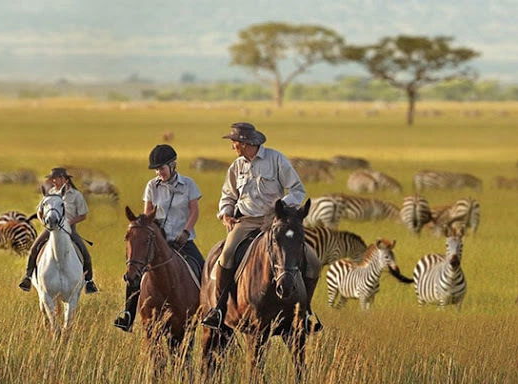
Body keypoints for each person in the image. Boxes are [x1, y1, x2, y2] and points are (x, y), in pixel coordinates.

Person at [201, 122, 322, 330]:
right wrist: (226, 213)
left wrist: (282, 207)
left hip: (275, 221)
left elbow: (297, 190)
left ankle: (305, 313)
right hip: (246, 221)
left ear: (246, 143)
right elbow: (228, 195)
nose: (232, 147)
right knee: (227, 254)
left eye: (234, 142)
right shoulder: (236, 166)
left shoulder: (276, 159)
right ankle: (219, 309)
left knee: (313, 261)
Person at [114, 144, 204, 331]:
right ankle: (128, 315)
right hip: (158, 241)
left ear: (172, 165)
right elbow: (148, 214)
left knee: (203, 270)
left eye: (161, 168)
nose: (158, 172)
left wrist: (186, 231)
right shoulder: (151, 186)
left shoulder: (188, 184)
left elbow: (194, 212)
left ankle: (209, 312)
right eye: (156, 169)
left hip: (182, 240)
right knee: (135, 271)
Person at [18, 167, 99, 294]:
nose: (53, 181)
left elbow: (83, 215)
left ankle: (89, 282)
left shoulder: (76, 195)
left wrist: (68, 222)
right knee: (34, 248)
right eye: (52, 179)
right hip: (51, 228)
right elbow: (39, 211)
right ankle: (27, 277)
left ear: (63, 179)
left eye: (55, 178)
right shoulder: (51, 192)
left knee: (85, 253)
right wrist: (43, 221)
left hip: (70, 229)